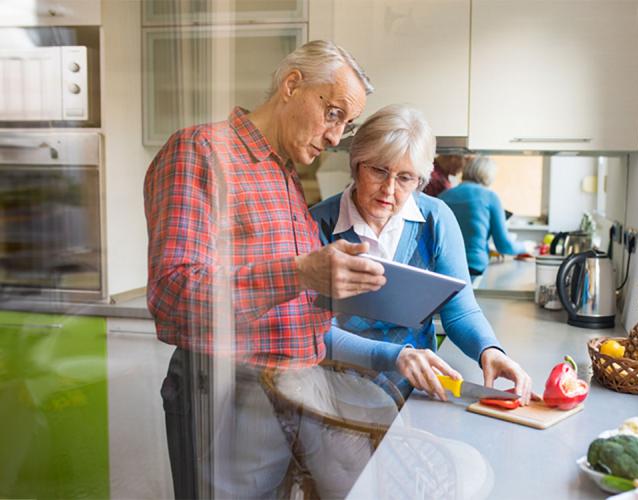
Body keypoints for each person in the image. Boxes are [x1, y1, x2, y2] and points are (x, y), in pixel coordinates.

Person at [144, 40, 398, 499]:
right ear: (293, 85)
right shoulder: (200, 151)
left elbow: (290, 296)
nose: (336, 136)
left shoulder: (284, 174)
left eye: (347, 122)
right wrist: (300, 273)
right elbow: (172, 293)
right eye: (334, 113)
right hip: (227, 393)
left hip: (293, 391)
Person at [311, 104, 533, 403]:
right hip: (337, 393)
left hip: (415, 392)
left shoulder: (436, 219)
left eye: (405, 178)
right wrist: (395, 356)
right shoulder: (318, 223)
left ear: (420, 180)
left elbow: (461, 310)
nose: (389, 189)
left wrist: (488, 350)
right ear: (357, 164)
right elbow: (310, 329)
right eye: (379, 170)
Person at [439, 156, 532, 277]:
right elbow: (504, 246)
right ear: (489, 176)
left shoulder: (442, 196)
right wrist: (526, 246)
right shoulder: (490, 197)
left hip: (444, 266)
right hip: (473, 266)